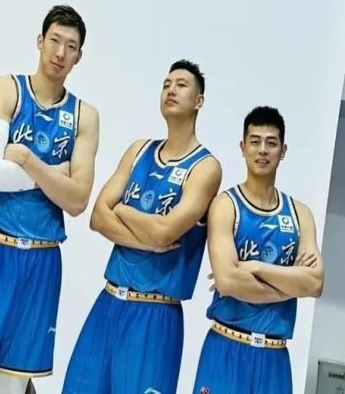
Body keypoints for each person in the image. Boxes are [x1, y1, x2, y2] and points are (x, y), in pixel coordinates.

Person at [0, 5, 100, 394]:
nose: (60, 53)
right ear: (40, 41)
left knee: (14, 384)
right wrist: (55, 175)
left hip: (42, 258)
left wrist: (29, 161)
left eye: (71, 46)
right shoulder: (8, 88)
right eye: (55, 41)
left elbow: (78, 201)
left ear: (79, 56)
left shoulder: (84, 116)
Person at [62, 60, 222, 394]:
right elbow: (97, 217)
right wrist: (148, 239)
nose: (171, 90)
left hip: (155, 313)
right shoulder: (139, 151)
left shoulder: (205, 167)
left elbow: (165, 232)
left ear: (199, 101)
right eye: (166, 84)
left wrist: (123, 210)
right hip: (109, 300)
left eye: (181, 85)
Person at [193, 106, 324, 394]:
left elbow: (314, 284)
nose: (262, 150)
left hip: (274, 357)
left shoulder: (300, 214)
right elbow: (228, 281)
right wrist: (291, 284)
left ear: (283, 150)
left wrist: (255, 267)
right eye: (255, 141)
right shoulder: (226, 205)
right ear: (243, 147)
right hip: (225, 347)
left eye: (271, 142)